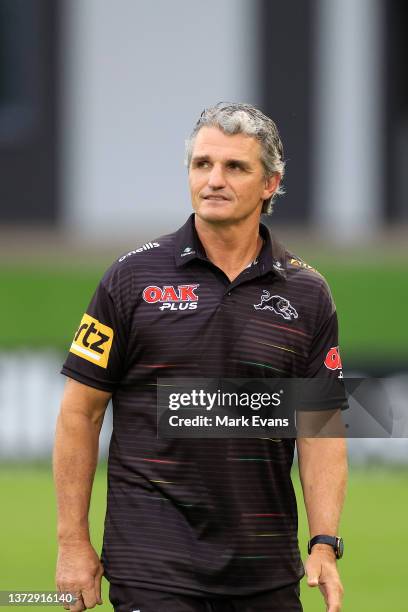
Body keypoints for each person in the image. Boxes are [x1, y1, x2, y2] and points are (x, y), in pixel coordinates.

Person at [54, 102, 347, 612]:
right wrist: (72, 543)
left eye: (235, 167)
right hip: (152, 564)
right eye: (202, 164)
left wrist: (324, 541)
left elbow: (319, 428)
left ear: (270, 183)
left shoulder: (307, 293)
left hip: (265, 569)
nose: (214, 179)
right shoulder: (130, 279)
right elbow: (80, 412)